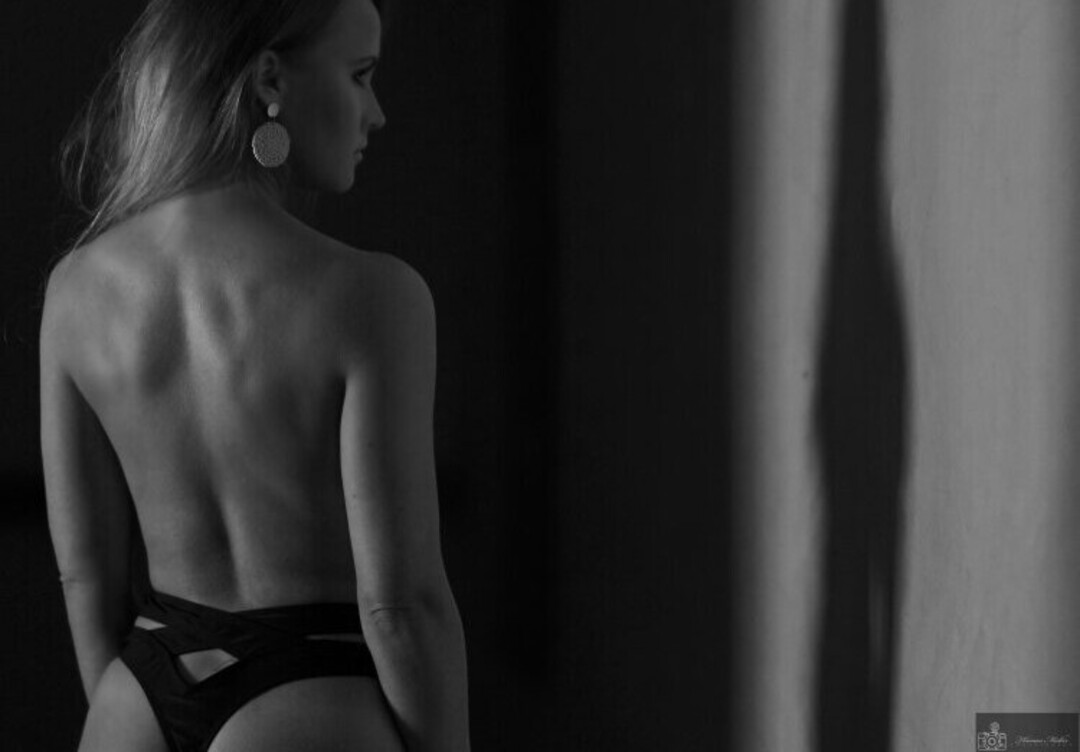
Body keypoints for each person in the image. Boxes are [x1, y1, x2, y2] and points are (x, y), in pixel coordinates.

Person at [39, 0, 470, 750]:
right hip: (309, 706)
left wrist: (121, 714)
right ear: (270, 78)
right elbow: (400, 608)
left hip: (133, 704)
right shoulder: (375, 296)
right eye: (360, 75)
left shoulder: (75, 290)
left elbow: (86, 582)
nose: (376, 114)